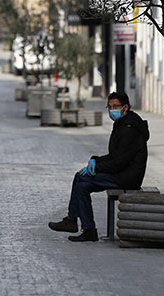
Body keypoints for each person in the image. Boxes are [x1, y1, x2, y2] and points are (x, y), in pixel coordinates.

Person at [48, 91, 149, 242]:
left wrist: (96, 167)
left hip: (126, 177)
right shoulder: (123, 124)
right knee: (81, 181)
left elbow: (118, 163)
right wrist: (95, 160)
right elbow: (115, 156)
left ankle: (78, 224)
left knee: (82, 180)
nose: (112, 110)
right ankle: (80, 225)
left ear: (125, 107)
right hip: (121, 173)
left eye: (116, 106)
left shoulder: (129, 129)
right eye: (109, 107)